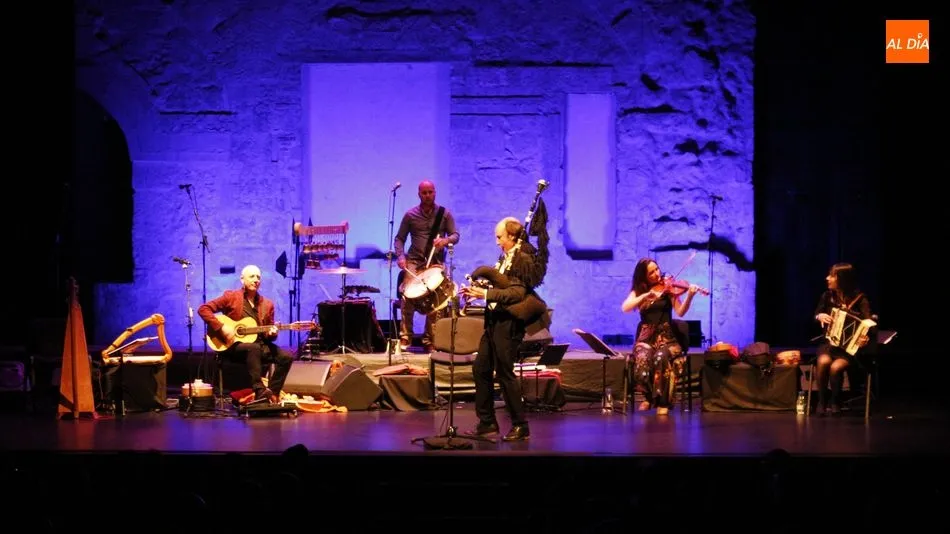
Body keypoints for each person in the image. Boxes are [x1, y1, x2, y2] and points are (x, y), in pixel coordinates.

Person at [459, 216, 548, 442]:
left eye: (500, 237)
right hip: (494, 320)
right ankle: (487, 422)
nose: (498, 242)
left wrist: (486, 294)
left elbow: (516, 293)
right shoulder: (506, 257)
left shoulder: (523, 259)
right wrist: (479, 289)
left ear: (513, 236)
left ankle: (521, 425)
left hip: (508, 323)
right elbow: (503, 285)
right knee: (481, 368)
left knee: (505, 373)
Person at [197, 264, 293, 404]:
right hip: (233, 346)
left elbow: (268, 334)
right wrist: (221, 328)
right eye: (252, 276)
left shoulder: (267, 304)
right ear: (242, 279)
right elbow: (204, 309)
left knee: (286, 357)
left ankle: (272, 393)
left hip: (259, 346)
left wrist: (272, 334)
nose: (256, 280)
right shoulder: (231, 296)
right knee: (253, 348)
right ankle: (259, 390)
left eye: (258, 277)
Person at [621, 258, 700, 415]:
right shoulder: (639, 291)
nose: (657, 274)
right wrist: (644, 296)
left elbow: (681, 312)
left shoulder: (668, 289)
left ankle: (664, 401)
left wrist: (690, 295)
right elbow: (625, 307)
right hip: (646, 337)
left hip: (667, 338)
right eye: (651, 272)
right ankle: (649, 397)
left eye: (657, 269)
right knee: (642, 358)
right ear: (643, 276)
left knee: (660, 357)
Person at [394, 180, 460, 352]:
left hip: (435, 263)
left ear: (435, 193)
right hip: (414, 262)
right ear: (419, 194)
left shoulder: (444, 214)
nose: (428, 195)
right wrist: (401, 257)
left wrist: (445, 241)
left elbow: (455, 235)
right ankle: (405, 337)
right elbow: (399, 238)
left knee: (435, 301)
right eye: (424, 193)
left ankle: (429, 340)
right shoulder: (410, 215)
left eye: (430, 192)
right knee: (407, 296)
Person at [813, 262, 873, 415]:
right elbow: (816, 315)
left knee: (836, 367)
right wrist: (820, 316)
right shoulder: (827, 296)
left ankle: (835, 401)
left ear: (842, 279)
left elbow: (869, 323)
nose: (827, 278)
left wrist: (864, 337)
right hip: (829, 343)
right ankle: (821, 401)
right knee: (823, 361)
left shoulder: (860, 299)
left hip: (848, 349)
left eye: (832, 276)